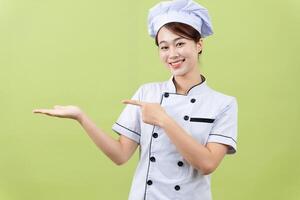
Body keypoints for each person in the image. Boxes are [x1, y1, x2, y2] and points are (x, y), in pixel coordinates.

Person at [33, 0, 238, 199]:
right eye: (164, 47)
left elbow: (208, 164)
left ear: (199, 44)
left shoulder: (223, 104)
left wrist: (163, 120)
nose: (172, 54)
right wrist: (81, 117)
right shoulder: (146, 93)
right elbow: (120, 155)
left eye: (180, 43)